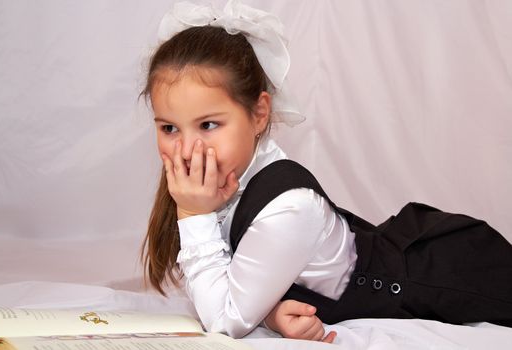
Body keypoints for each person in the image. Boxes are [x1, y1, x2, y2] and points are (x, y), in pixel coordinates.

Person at [141, 0, 512, 342]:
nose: (187, 150)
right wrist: (270, 313)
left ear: (259, 114)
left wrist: (193, 215)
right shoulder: (222, 182)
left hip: (454, 275)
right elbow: (237, 283)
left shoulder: (289, 207)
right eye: (169, 128)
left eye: (208, 125)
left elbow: (226, 320)